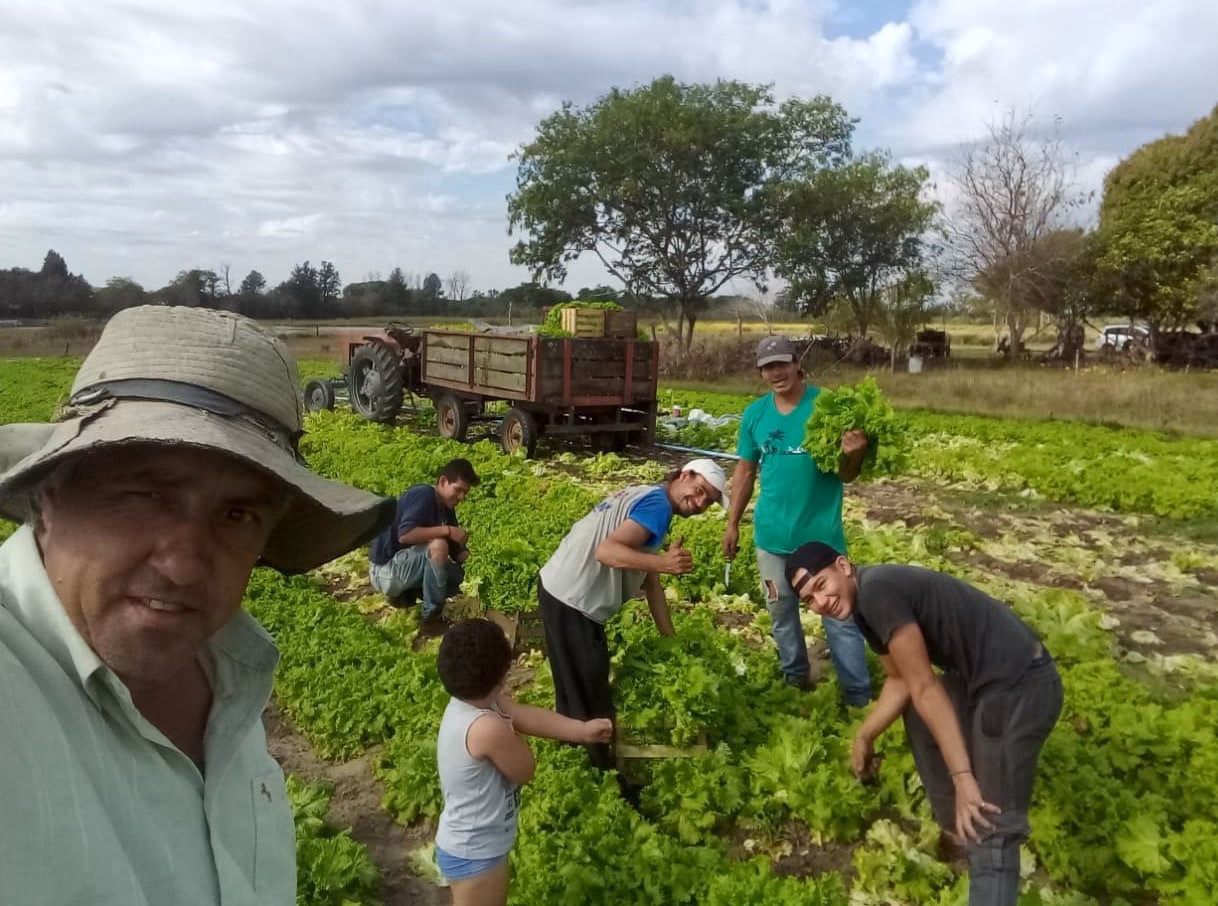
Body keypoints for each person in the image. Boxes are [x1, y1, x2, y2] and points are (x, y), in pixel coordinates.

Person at [0, 305, 394, 905]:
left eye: (237, 515)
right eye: (146, 494)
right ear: (50, 495)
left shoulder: (228, 675)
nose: (184, 565)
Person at [784, 543, 1063, 906]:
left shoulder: (877, 593)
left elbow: (925, 685)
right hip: (984, 679)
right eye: (809, 600)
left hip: (1021, 685)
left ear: (843, 566)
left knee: (992, 826)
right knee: (917, 714)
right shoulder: (864, 601)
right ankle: (957, 830)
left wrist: (964, 777)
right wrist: (865, 735)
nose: (821, 602)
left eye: (821, 585)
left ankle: (980, 842)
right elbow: (901, 680)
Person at [538, 458, 728, 771]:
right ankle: (601, 773)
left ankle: (574, 758)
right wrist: (664, 563)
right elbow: (607, 552)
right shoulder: (658, 507)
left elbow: (651, 582)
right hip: (573, 599)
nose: (699, 503)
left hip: (560, 589)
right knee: (592, 696)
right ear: (684, 474)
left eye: (707, 502)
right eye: (698, 491)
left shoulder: (648, 495)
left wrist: (670, 640)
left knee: (575, 686)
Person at [722, 335, 872, 704]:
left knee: (839, 617)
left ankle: (857, 696)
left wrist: (854, 455)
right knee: (779, 609)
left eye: (782, 364)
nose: (776, 373)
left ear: (797, 363)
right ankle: (794, 680)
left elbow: (846, 475)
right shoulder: (755, 414)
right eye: (768, 367)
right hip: (771, 537)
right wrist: (732, 522)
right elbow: (744, 472)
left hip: (821, 541)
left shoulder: (828, 407)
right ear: (761, 372)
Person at [435, 618, 613, 906]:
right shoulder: (486, 727)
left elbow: (524, 715)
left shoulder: (475, 704)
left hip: (471, 845)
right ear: (502, 676)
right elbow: (525, 769)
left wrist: (582, 730)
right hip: (476, 853)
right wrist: (509, 730)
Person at [368, 458, 478, 629]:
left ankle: (407, 594)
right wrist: (447, 530)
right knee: (439, 546)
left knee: (459, 578)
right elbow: (405, 535)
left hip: (404, 566)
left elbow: (457, 550)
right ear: (443, 481)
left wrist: (477, 567)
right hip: (385, 571)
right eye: (458, 490)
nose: (461, 497)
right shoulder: (423, 495)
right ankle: (431, 617)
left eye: (465, 492)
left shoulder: (447, 507)